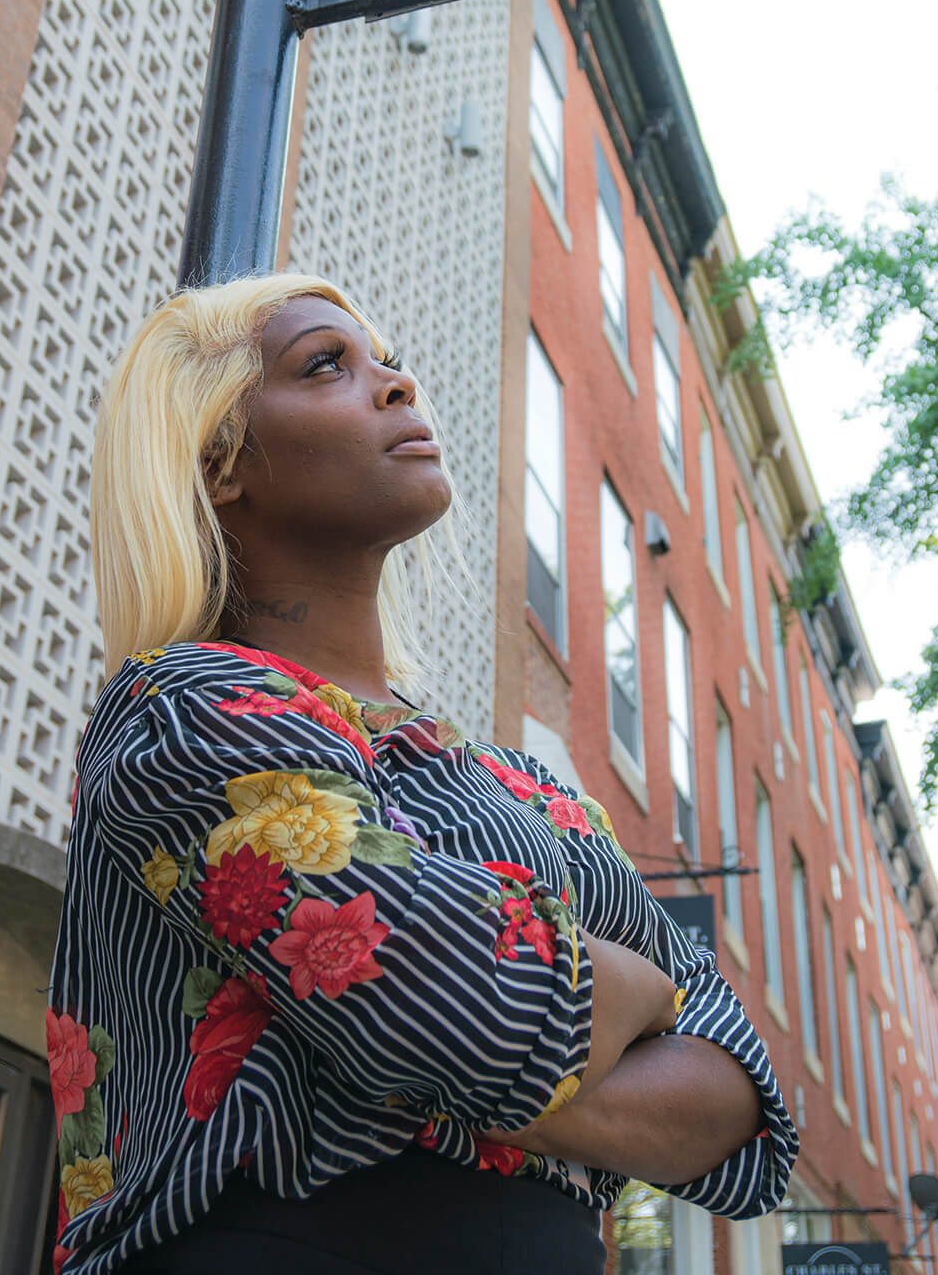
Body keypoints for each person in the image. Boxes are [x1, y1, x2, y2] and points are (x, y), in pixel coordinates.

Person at [47, 273, 797, 1274]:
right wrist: (631, 996)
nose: (397, 385)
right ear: (223, 461)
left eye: (389, 360)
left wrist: (448, 1038)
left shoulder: (531, 787)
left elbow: (740, 1099)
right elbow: (467, 1004)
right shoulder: (180, 708)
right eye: (329, 364)